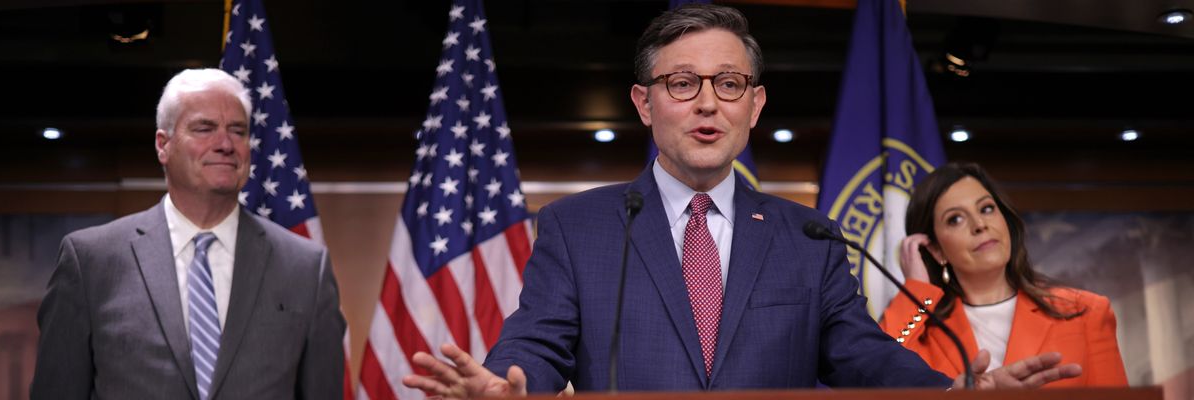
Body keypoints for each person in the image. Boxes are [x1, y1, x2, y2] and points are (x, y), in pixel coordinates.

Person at [402, 4, 1080, 397]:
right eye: (682, 83)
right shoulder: (578, 227)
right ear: (643, 103)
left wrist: (954, 392)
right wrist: (504, 386)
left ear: (754, 106)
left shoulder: (809, 236)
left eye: (728, 84)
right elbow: (537, 343)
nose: (707, 103)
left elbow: (861, 355)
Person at [31, 68, 346, 399]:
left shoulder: (305, 268)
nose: (225, 144)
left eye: (237, 131)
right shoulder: (91, 262)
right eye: (204, 129)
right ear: (163, 145)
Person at [882, 162, 1128, 387]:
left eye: (987, 208)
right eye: (955, 219)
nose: (980, 224)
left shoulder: (1086, 312)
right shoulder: (922, 332)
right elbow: (877, 373)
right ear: (936, 249)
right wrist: (916, 290)